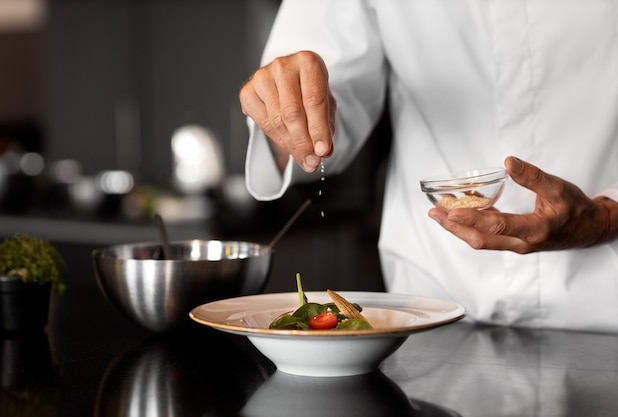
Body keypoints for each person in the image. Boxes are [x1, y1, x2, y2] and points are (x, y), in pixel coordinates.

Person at [239, 0, 618, 332]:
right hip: (433, 310)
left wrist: (605, 217)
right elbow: (318, 116)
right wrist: (288, 111)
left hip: (606, 306)